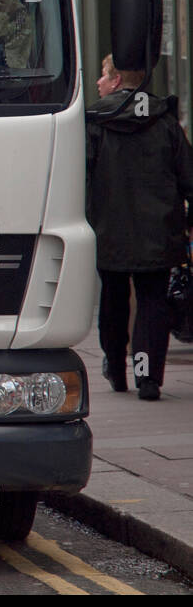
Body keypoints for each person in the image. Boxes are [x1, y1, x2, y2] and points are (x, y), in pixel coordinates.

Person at [86, 54, 193, 400]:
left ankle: (117, 367)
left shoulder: (96, 123)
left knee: (113, 300)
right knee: (151, 302)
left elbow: (79, 177)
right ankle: (147, 376)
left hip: (109, 231)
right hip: (158, 232)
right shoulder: (165, 122)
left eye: (103, 76)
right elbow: (188, 177)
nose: (99, 83)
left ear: (117, 81)